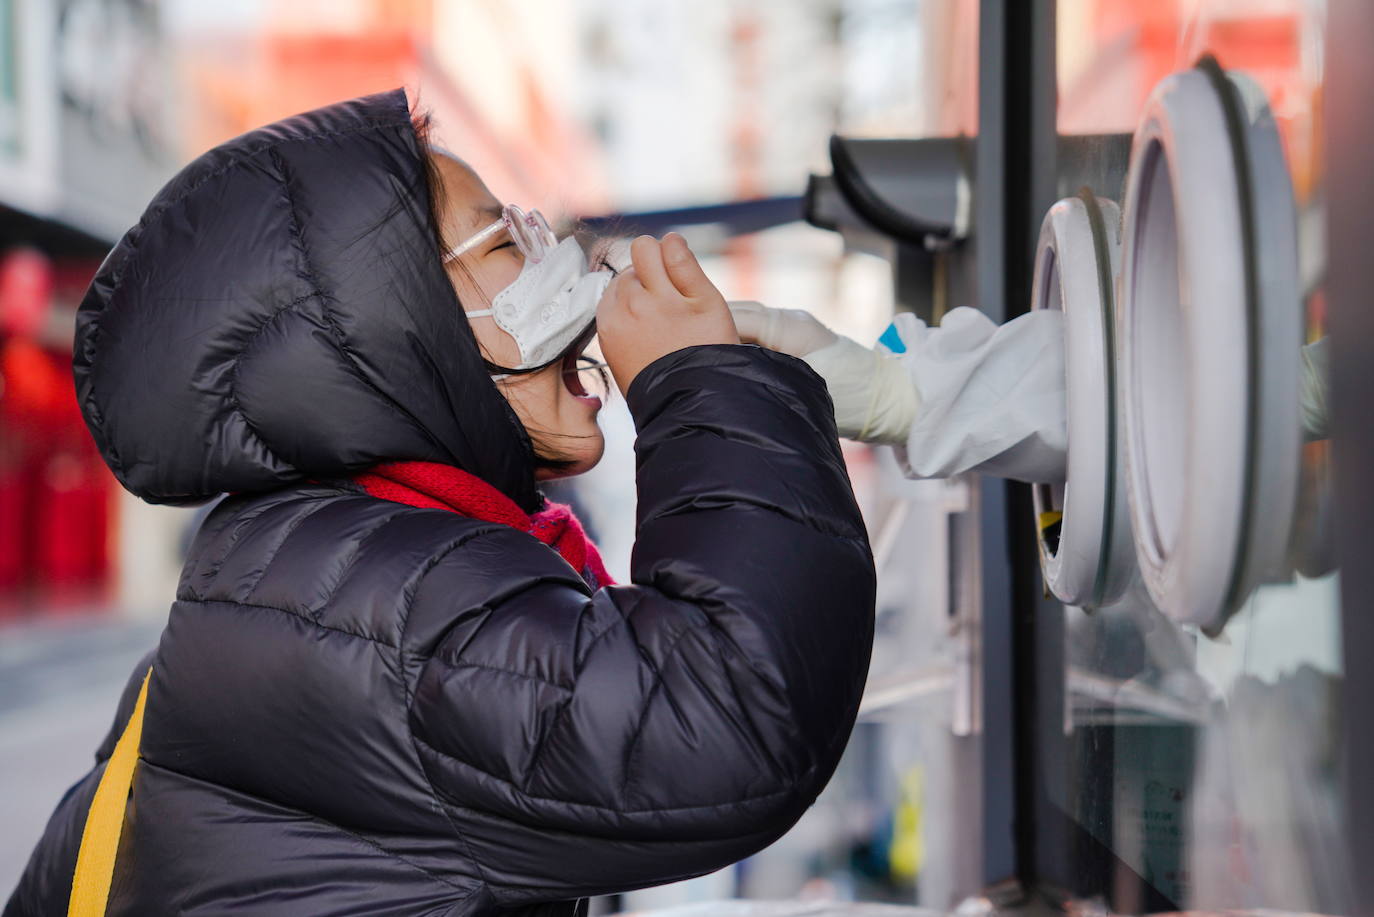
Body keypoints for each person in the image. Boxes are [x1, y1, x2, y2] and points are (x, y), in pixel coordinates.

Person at [4, 90, 875, 917]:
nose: (560, 257)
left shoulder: (323, 567)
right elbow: (732, 715)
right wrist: (703, 388)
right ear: (392, 323)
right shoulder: (385, 607)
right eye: (504, 242)